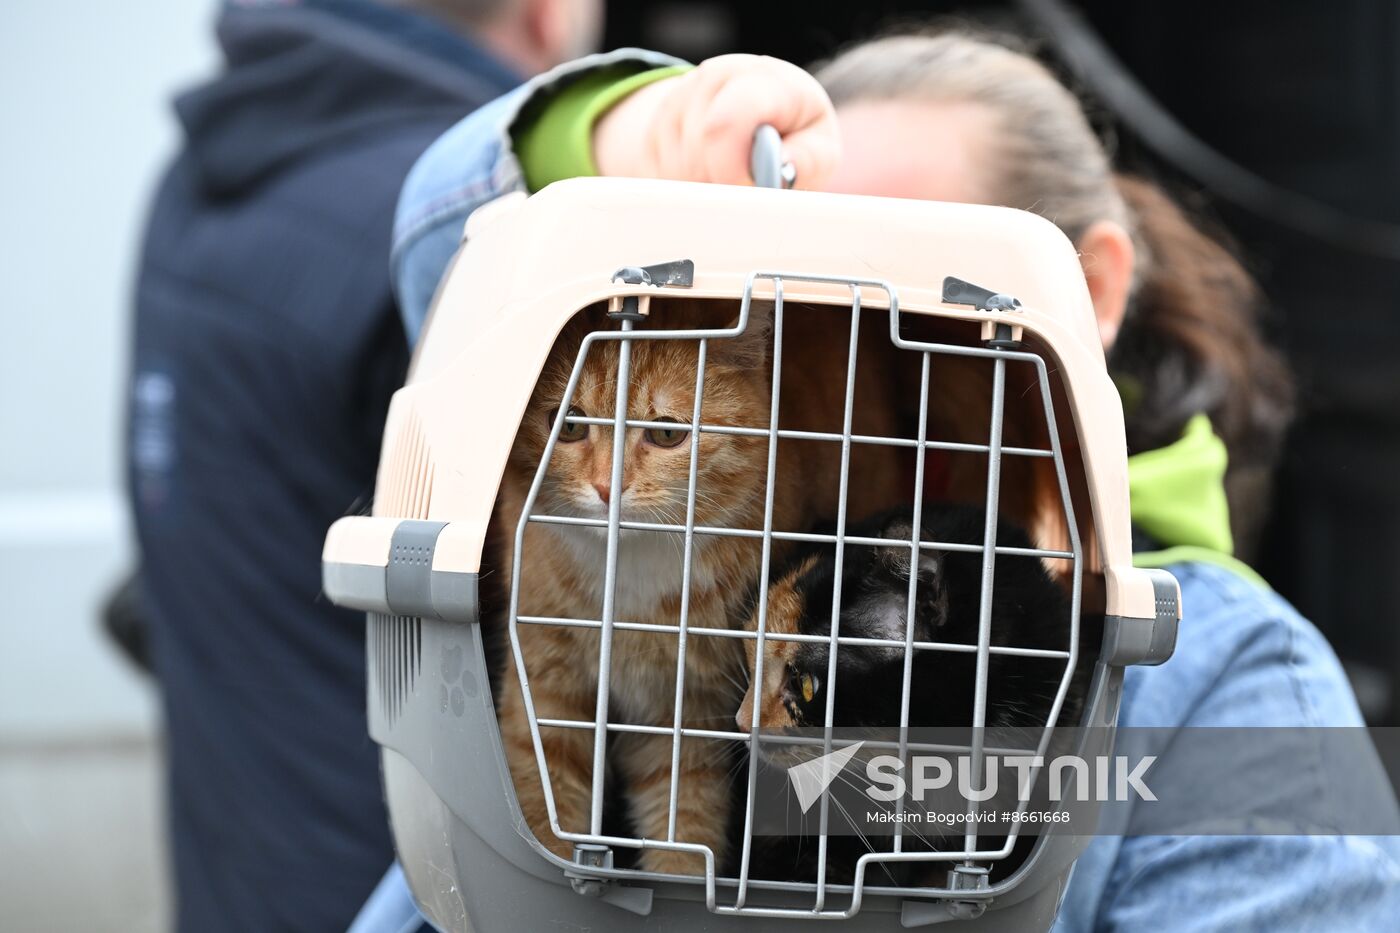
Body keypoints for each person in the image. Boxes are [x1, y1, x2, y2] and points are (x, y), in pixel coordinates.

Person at [366, 30, 1400, 932]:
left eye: (899, 279)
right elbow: (437, 263)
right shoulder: (672, 527)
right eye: (787, 279)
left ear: (1085, 292)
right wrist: (635, 132)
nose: (829, 339)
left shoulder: (1226, 676)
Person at [125, 1, 601, 930]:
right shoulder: (475, 248)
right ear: (547, 18)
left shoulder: (201, 174)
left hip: (242, 881)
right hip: (392, 889)